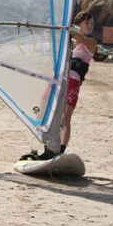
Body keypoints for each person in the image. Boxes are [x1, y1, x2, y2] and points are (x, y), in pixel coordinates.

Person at [20, 10, 97, 161]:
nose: (90, 26)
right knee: (42, 113)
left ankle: (60, 152)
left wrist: (67, 29)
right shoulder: (67, 41)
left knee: (65, 119)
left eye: (92, 23)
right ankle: (48, 148)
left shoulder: (91, 42)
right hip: (55, 80)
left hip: (72, 83)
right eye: (86, 23)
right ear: (78, 24)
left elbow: (80, 37)